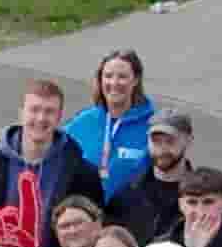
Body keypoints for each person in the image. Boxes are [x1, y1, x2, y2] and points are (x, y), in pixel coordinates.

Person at [0, 79, 104, 247]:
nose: (41, 118)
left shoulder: (79, 170)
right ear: (22, 112)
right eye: (34, 110)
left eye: (49, 112)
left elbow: (94, 227)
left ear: (59, 117)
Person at [61, 49, 155, 202]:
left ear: (136, 80)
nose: (114, 83)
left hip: (129, 219)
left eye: (122, 77)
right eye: (108, 76)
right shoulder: (83, 121)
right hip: (85, 217)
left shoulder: (152, 126)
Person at [107, 110, 194, 247]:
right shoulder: (126, 194)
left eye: (170, 141)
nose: (162, 148)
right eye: (156, 141)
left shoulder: (203, 197)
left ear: (189, 141)